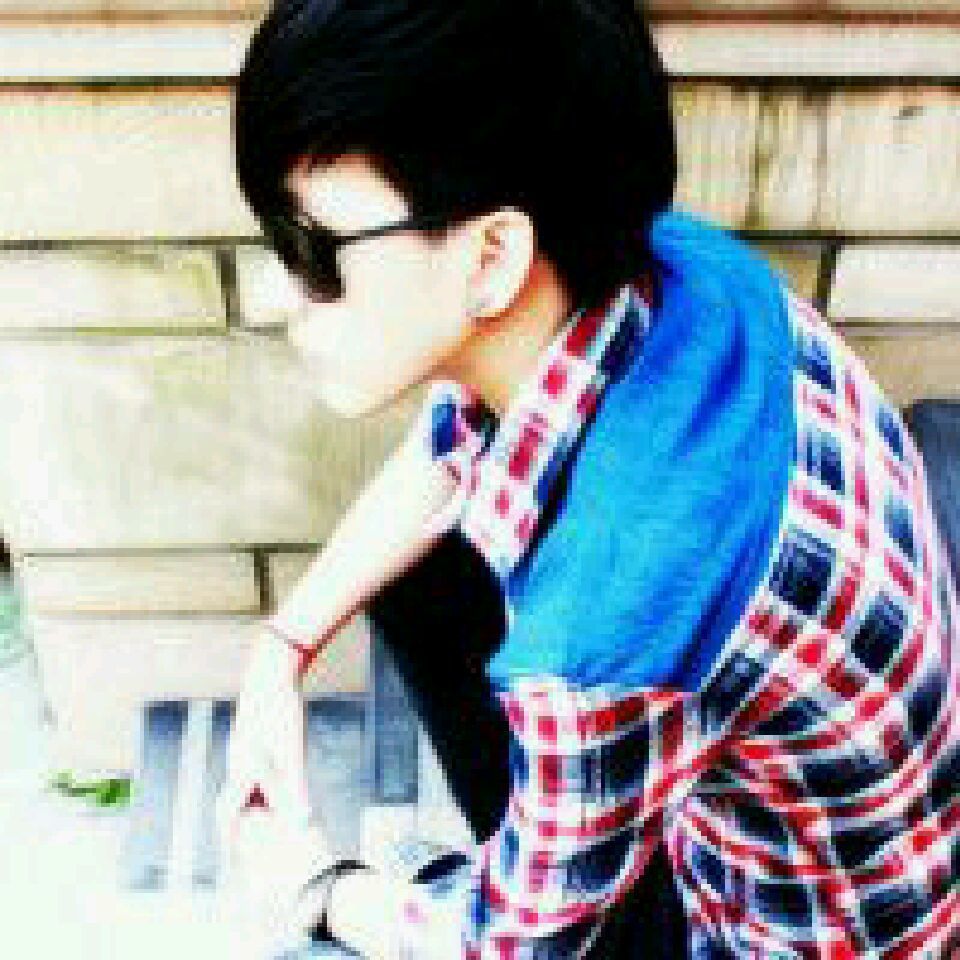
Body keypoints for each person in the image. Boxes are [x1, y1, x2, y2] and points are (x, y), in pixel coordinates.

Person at [217, 1, 960, 957]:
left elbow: (508, 943)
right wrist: (282, 648)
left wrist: (318, 887)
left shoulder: (608, 630)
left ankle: (546, 845)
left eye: (313, 253)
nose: (276, 294)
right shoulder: (675, 263)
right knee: (418, 567)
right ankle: (551, 830)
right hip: (822, 801)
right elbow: (452, 446)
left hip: (780, 931)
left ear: (495, 256)